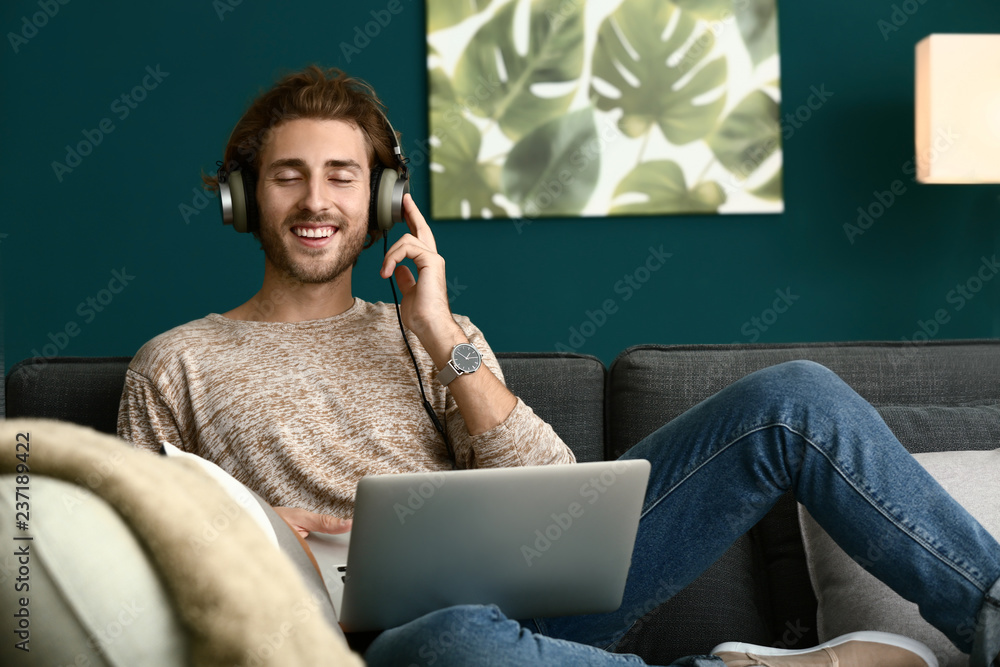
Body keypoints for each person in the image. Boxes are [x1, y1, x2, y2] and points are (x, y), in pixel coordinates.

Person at [117, 65, 1000, 667]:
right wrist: (260, 528)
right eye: (289, 176)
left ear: (384, 198)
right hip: (390, 645)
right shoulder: (177, 364)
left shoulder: (430, 331)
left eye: (344, 176)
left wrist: (438, 333)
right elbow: (135, 569)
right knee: (450, 640)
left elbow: (564, 497)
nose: (317, 200)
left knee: (793, 397)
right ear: (242, 197)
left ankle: (992, 614)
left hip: (535, 603)